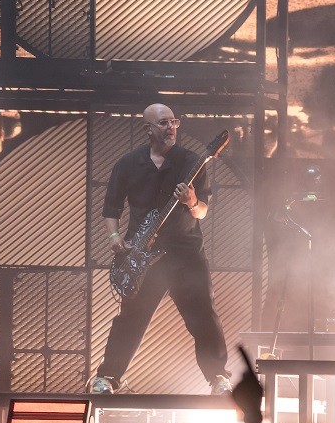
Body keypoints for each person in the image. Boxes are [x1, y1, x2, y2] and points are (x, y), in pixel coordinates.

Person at [89, 103, 231, 395]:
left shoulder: (192, 162)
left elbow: (203, 211)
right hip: (142, 257)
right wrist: (115, 236)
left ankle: (218, 378)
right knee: (130, 319)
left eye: (174, 122)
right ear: (148, 129)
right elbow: (111, 208)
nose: (171, 128)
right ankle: (108, 378)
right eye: (164, 123)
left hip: (186, 255)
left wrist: (192, 201)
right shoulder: (128, 164)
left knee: (203, 314)